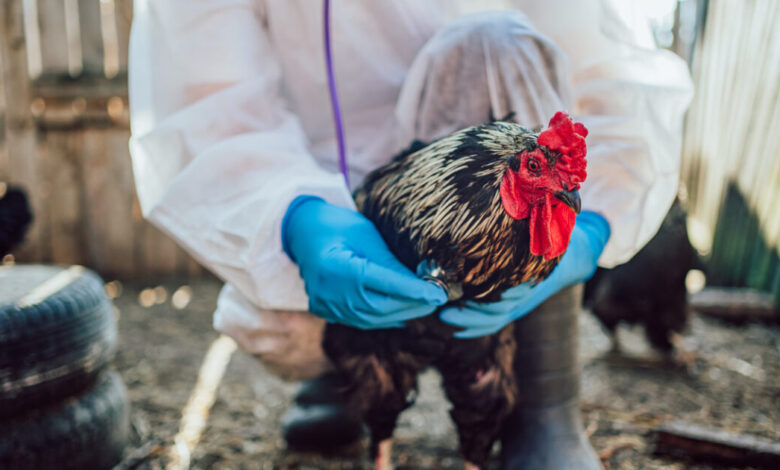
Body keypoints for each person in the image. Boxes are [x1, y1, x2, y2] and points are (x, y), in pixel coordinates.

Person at [128, 1, 692, 468]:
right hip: (327, 177)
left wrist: (591, 226)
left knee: (500, 38)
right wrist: (295, 213)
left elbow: (607, 71)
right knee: (274, 317)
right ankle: (343, 380)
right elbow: (203, 95)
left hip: (489, 189)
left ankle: (545, 400)